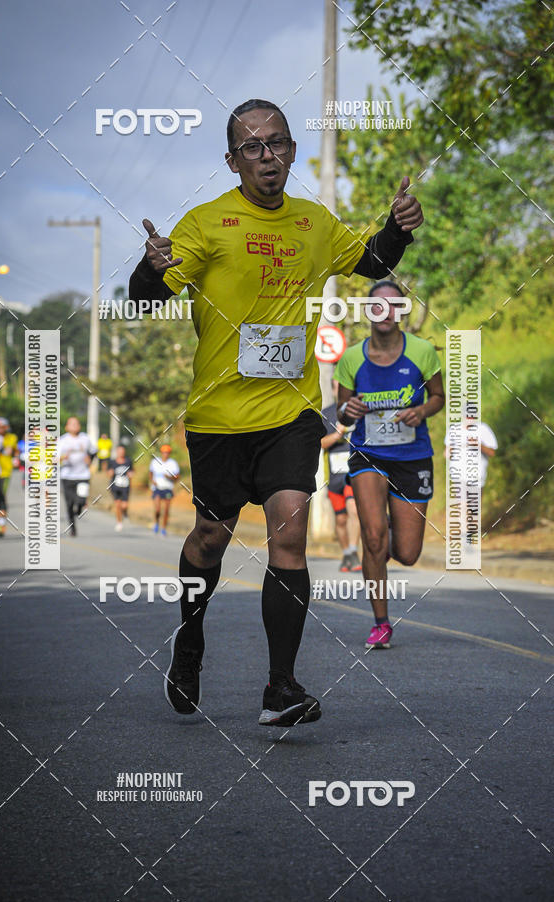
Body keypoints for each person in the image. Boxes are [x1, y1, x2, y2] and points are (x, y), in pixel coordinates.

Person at [129, 98, 423, 725]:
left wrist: (398, 229)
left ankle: (281, 687)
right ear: (232, 160)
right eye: (254, 147)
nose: (268, 157)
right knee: (212, 536)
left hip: (288, 413)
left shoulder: (314, 222)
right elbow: (148, 296)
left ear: (292, 150)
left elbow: (370, 261)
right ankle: (189, 639)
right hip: (218, 417)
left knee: (289, 530)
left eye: (279, 144)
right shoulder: (207, 224)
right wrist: (148, 268)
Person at [335, 280, 444, 649]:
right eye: (376, 305)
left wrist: (421, 410)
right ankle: (381, 622)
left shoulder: (423, 351)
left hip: (413, 457)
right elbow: (343, 413)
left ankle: (380, 535)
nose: (384, 311)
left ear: (401, 310)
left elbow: (438, 396)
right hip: (369, 453)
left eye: (392, 305)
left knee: (409, 553)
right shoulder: (351, 358)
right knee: (374, 538)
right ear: (369, 311)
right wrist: (348, 411)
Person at [321, 382, 362, 572]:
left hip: (353, 472)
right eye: (338, 387)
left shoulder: (359, 412)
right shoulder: (327, 413)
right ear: (333, 389)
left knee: (354, 510)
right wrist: (337, 435)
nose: (342, 390)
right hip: (335, 475)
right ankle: (347, 553)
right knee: (341, 519)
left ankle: (354, 552)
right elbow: (319, 443)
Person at [58, 417, 96, 536]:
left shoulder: (85, 438)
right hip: (67, 476)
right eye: (72, 424)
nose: (75, 426)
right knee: (69, 504)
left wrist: (90, 459)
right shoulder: (62, 440)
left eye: (77, 423)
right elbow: (54, 458)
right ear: (67, 427)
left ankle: (79, 508)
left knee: (81, 499)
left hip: (83, 474)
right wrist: (63, 458)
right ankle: (72, 527)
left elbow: (94, 451)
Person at [0, 417, 18, 537]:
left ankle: (1, 522)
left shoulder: (11, 437)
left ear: (7, 427)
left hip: (5, 472)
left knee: (1, 496)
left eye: (2, 427)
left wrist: (16, 458)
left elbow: (12, 451)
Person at [149, 445, 180, 535]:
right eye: (164, 452)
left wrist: (170, 477)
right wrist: (152, 481)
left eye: (167, 452)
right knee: (158, 509)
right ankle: (156, 523)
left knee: (166, 509)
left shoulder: (173, 463)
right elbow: (150, 473)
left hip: (168, 488)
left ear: (169, 453)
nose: (165, 454)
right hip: (157, 488)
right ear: (161, 453)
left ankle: (163, 528)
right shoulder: (155, 462)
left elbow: (177, 477)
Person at [108, 445, 134, 532]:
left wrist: (131, 474)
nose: (121, 453)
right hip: (115, 486)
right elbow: (109, 472)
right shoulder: (112, 462)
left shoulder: (128, 461)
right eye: (119, 451)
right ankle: (119, 522)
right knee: (118, 505)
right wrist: (110, 473)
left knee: (124, 505)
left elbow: (132, 471)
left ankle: (125, 513)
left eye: (122, 451)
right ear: (117, 452)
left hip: (125, 486)